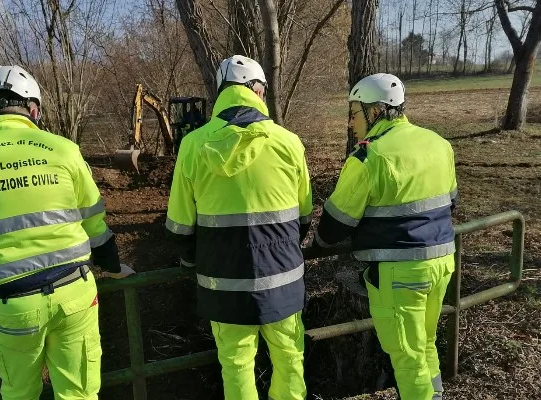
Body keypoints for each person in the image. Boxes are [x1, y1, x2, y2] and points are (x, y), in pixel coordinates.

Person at [0, 65, 135, 400]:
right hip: (74, 293)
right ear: (34, 109)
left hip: (12, 305)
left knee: (20, 393)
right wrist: (112, 265)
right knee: (79, 393)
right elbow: (94, 220)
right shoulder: (64, 149)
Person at [165, 55, 313, 400]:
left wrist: (191, 262)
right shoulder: (288, 142)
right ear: (258, 91)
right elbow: (304, 217)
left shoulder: (192, 146)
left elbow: (179, 228)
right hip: (283, 280)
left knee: (235, 366)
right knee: (290, 359)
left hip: (222, 283)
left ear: (221, 93)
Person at [310, 73, 458, 400]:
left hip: (400, 273)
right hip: (442, 263)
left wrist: (315, 246)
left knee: (407, 358)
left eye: (354, 113)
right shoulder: (438, 143)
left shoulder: (368, 155)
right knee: (424, 344)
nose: (350, 123)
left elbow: (336, 222)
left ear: (375, 110)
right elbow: (451, 201)